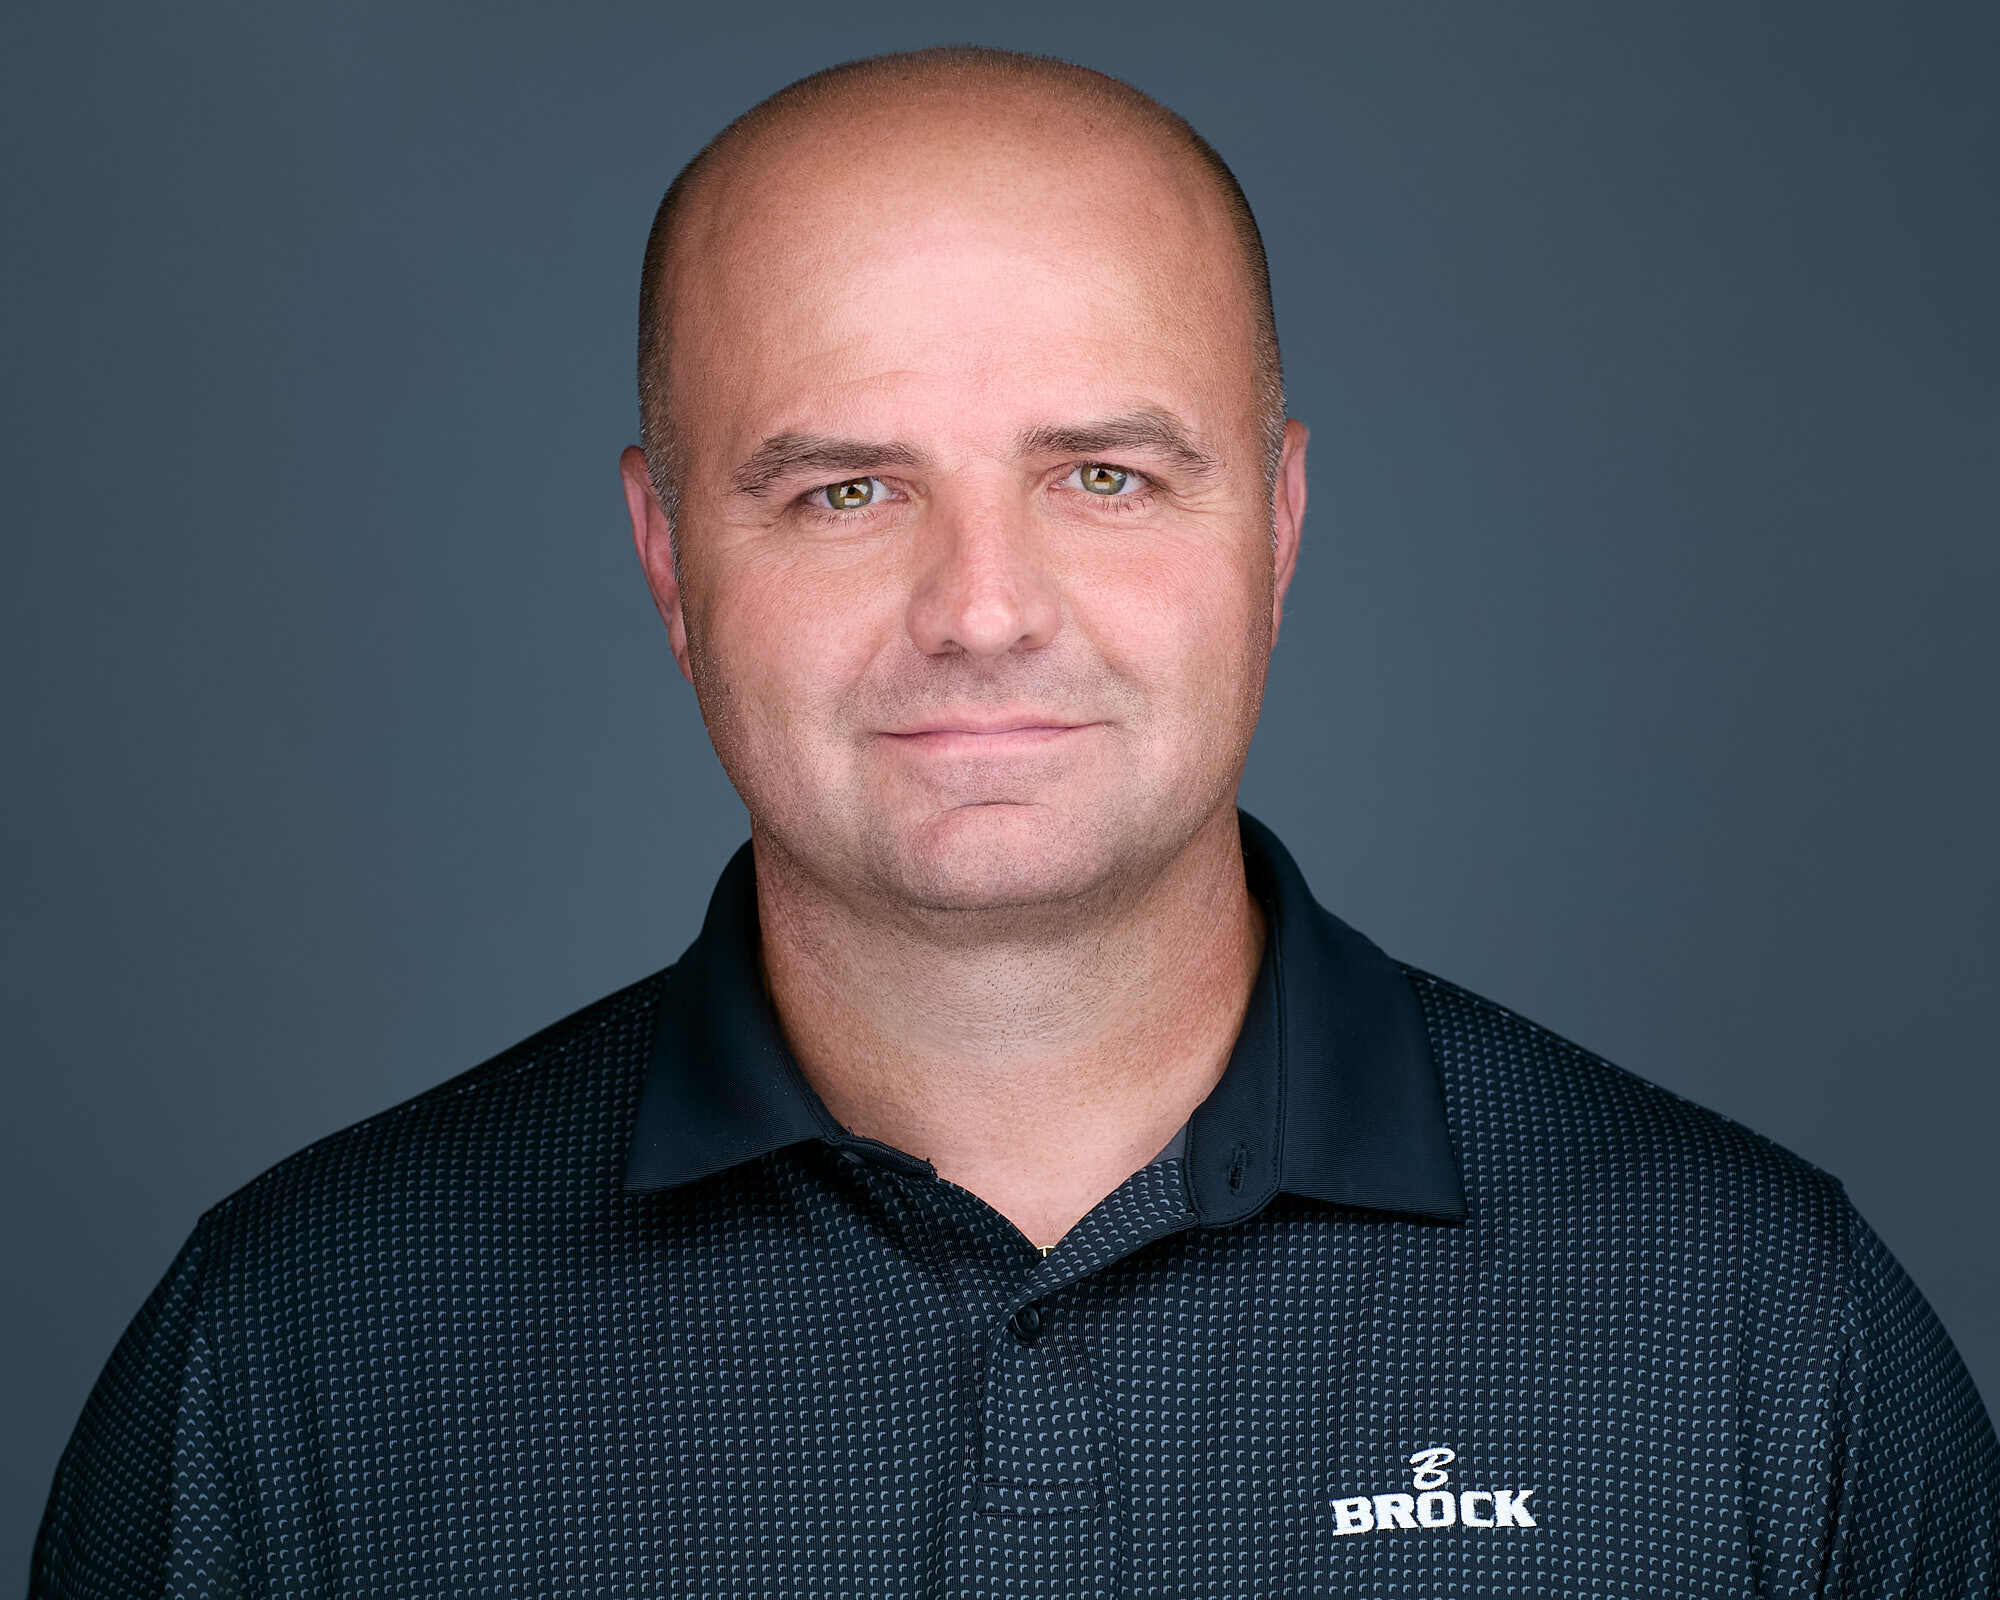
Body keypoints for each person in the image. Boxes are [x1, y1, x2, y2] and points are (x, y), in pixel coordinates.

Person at [30, 44, 1998, 1600]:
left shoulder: (1753, 1323)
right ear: (661, 553)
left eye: (1107, 475)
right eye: (843, 492)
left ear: (1280, 521)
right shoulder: (293, 1349)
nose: (983, 606)